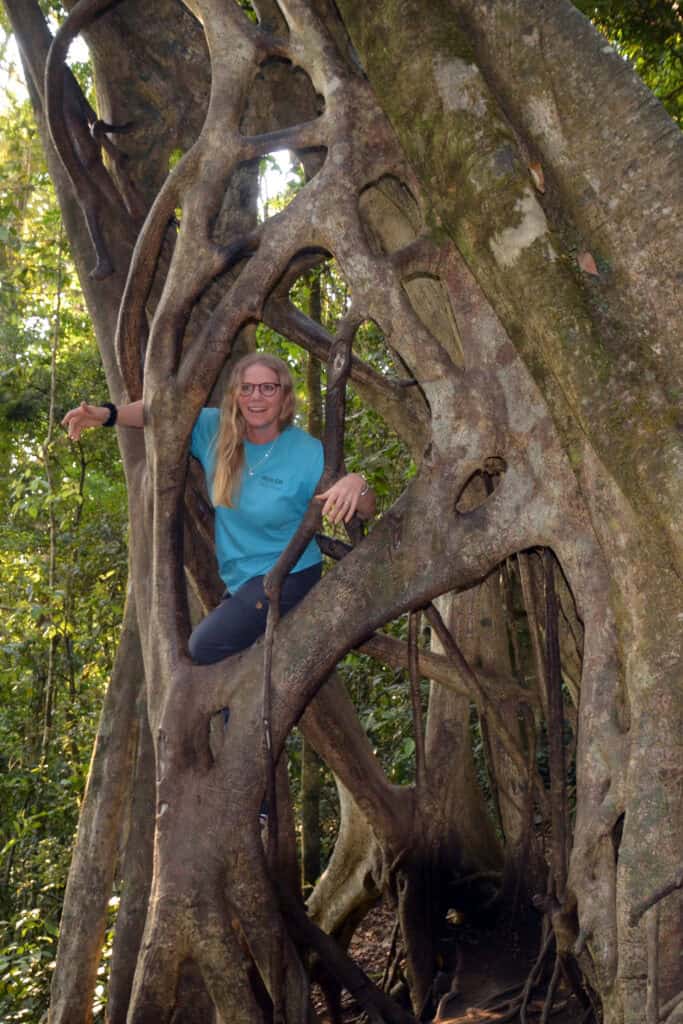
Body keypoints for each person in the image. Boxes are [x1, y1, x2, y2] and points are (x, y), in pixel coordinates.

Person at [63, 352, 375, 664]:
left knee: (205, 646)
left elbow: (365, 509)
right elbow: (159, 412)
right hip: (240, 582)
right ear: (235, 395)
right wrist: (107, 415)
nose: (257, 397)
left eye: (268, 388)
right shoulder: (215, 430)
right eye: (247, 388)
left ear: (284, 397)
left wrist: (355, 482)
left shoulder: (307, 453)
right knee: (231, 675)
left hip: (289, 576)